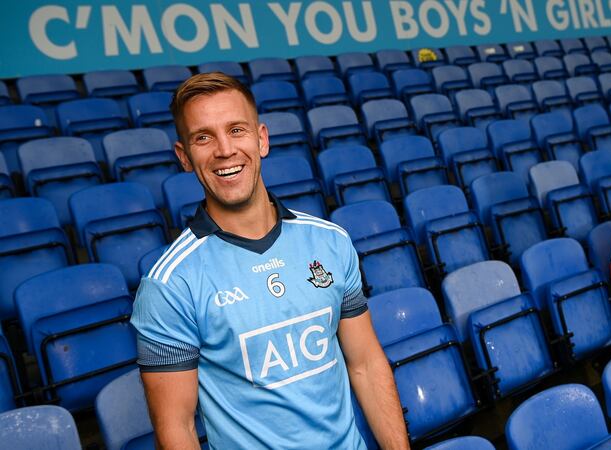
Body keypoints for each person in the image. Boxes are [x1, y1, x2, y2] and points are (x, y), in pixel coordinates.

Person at [130, 72, 409, 449]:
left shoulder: (330, 241)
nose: (225, 149)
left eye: (236, 130)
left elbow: (366, 363)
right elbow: (177, 429)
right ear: (184, 156)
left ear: (261, 139)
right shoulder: (169, 284)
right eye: (204, 137)